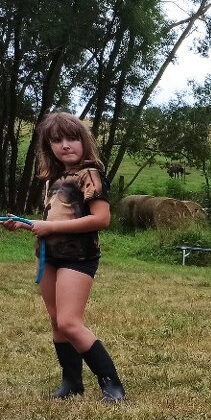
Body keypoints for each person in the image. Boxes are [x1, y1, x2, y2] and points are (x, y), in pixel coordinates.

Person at [2, 112, 125, 402]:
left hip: (78, 258)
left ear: (84, 141)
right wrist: (27, 223)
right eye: (56, 141)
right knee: (57, 322)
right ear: (48, 146)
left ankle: (112, 383)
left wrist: (51, 227)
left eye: (71, 138)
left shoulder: (90, 174)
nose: (65, 145)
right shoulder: (53, 178)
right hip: (49, 257)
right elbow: (54, 216)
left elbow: (101, 219)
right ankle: (72, 382)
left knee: (70, 322)